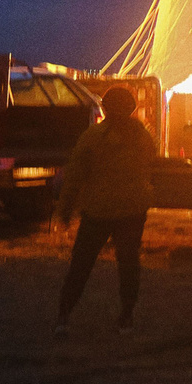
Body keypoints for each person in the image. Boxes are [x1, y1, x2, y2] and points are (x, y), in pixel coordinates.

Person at [54, 85, 157, 332]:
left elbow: (75, 177)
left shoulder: (92, 138)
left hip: (98, 212)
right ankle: (126, 317)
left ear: (106, 108)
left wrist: (65, 210)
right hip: (132, 211)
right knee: (129, 264)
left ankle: (64, 316)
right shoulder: (143, 137)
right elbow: (149, 168)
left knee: (81, 264)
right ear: (132, 108)